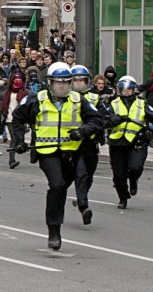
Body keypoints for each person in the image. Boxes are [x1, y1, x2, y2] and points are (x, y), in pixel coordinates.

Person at [12, 62, 104, 250]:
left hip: (72, 153)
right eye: (57, 82)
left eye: (66, 82)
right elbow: (18, 117)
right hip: (47, 152)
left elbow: (97, 120)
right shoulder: (37, 99)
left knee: (63, 187)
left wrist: (83, 131)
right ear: (50, 83)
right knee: (57, 184)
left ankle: (59, 219)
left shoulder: (79, 100)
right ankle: (54, 229)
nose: (62, 86)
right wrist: (20, 140)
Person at [107, 75, 153, 209]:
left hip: (137, 142)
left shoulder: (142, 103)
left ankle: (133, 180)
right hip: (117, 143)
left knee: (135, 168)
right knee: (118, 175)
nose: (126, 91)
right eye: (124, 89)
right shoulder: (114, 103)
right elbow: (105, 118)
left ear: (134, 90)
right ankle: (123, 198)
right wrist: (116, 119)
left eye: (129, 89)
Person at [69, 65, 108, 223]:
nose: (78, 83)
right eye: (75, 79)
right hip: (72, 143)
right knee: (81, 174)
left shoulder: (93, 98)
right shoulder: (66, 97)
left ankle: (81, 198)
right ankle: (83, 206)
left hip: (90, 142)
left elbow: (104, 116)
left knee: (89, 174)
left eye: (82, 80)